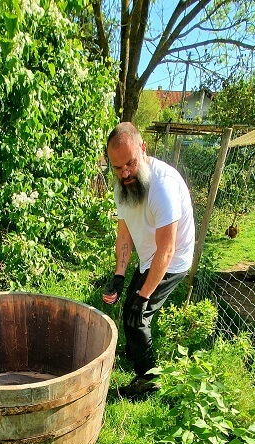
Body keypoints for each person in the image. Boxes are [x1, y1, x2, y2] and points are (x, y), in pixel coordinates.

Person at [102, 122, 195, 397]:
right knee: (129, 309)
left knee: (137, 316)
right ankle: (135, 353)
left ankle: (149, 380)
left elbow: (167, 249)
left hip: (173, 259)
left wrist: (144, 297)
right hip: (149, 256)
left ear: (143, 149)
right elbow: (124, 235)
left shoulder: (163, 186)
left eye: (130, 163)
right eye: (117, 168)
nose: (125, 173)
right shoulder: (123, 186)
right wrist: (119, 275)